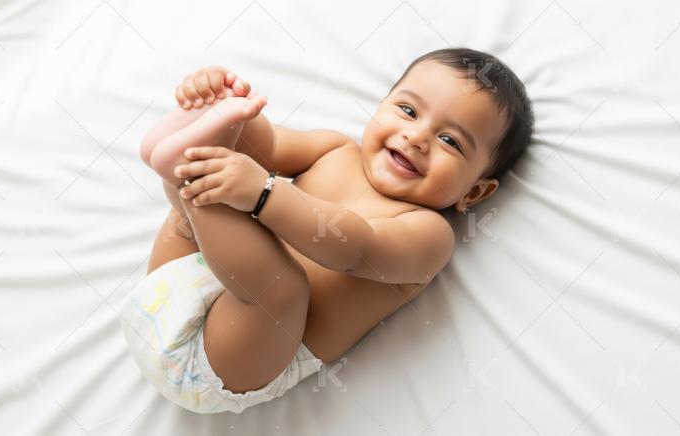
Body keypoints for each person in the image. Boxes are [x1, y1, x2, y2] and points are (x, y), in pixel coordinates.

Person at [119, 47, 533, 414]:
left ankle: (184, 179)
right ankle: (191, 160)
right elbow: (267, 148)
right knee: (221, 187)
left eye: (449, 140)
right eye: (408, 111)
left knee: (284, 289)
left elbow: (354, 248)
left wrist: (264, 196)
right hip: (173, 286)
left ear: (475, 192)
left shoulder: (429, 234)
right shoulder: (335, 149)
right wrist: (230, 105)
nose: (416, 137)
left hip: (229, 357)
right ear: (383, 105)